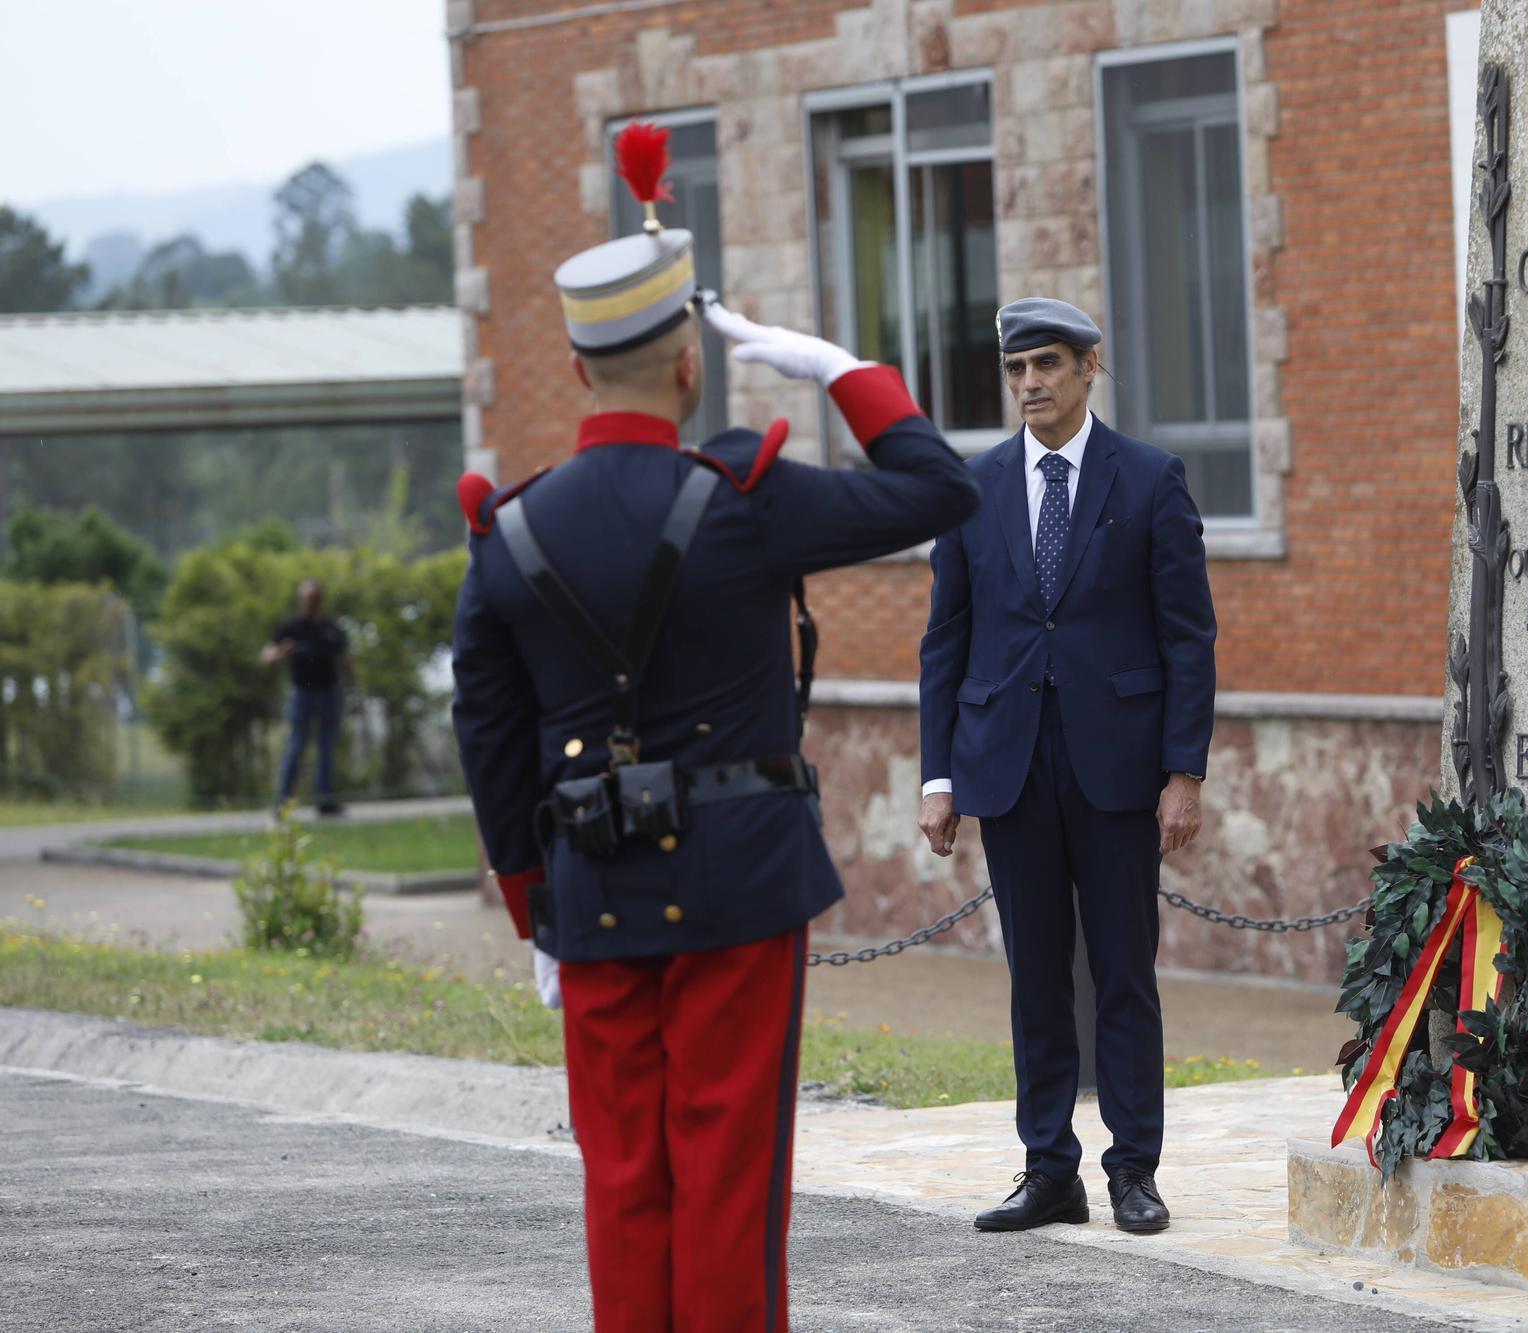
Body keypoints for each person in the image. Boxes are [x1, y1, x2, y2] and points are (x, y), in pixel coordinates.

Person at [450, 123, 978, 1333]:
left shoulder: (509, 536)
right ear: (689, 364)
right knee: (729, 1180)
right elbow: (942, 489)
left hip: (588, 886)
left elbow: (490, 738)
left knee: (624, 1180)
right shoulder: (745, 499)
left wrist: (535, 900)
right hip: (738, 883)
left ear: (583, 372)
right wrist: (838, 368)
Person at [916, 297, 1217, 1236]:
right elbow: (945, 643)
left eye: (1046, 364)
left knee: (1124, 971)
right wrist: (938, 775)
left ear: (1091, 367)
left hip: (1120, 768)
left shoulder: (1152, 478)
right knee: (1035, 976)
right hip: (1006, 765)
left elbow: (1188, 637)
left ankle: (1134, 1169)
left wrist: (1184, 771)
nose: (1030, 384)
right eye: (1016, 370)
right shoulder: (976, 488)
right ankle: (1050, 1168)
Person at [263, 578, 351, 815]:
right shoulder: (289, 627)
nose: (310, 603)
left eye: (314, 599)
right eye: (307, 599)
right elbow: (268, 656)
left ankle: (325, 800)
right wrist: (282, 652)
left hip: (329, 693)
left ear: (320, 600)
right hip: (301, 694)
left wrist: (353, 693)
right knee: (296, 746)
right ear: (301, 600)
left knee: (326, 748)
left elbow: (345, 661)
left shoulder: (331, 628)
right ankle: (283, 802)